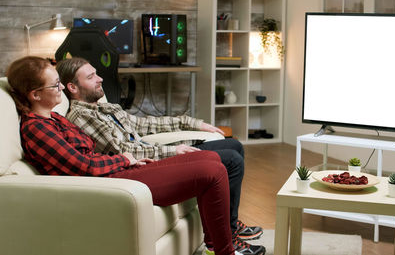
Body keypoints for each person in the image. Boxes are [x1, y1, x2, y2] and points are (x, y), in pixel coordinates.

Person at [6, 56, 241, 255]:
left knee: (211, 159)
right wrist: (125, 159)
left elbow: (91, 155)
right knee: (212, 170)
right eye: (55, 86)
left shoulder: (54, 118)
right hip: (109, 182)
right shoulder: (36, 127)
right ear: (35, 95)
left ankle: (212, 246)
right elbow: (83, 165)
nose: (60, 89)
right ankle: (223, 251)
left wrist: (129, 160)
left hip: (116, 171)